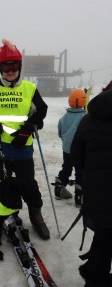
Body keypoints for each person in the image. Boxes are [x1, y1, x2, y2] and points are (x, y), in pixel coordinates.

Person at [0, 39, 50, 240]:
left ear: (20, 67)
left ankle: (36, 214)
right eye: (5, 67)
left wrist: (26, 130)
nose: (10, 71)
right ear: (0, 68)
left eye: (14, 66)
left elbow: (41, 110)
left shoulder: (29, 89)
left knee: (28, 184)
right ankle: (2, 216)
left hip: (22, 148)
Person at [71, 81, 112, 287]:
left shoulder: (90, 118)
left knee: (103, 240)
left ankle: (95, 281)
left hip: (98, 198)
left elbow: (76, 156)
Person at [52, 89, 86, 206]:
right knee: (80, 171)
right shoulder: (85, 118)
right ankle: (79, 195)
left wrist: (66, 141)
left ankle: (59, 188)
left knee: (66, 167)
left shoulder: (63, 118)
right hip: (81, 150)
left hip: (67, 149)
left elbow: (60, 133)